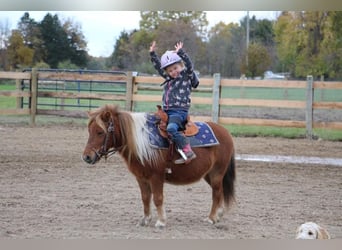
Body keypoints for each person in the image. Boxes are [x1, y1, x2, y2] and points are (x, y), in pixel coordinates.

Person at [149, 41, 199, 164]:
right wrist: (152, 54)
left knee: (171, 129)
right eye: (170, 70)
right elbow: (158, 67)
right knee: (150, 123)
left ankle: (187, 151)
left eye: (175, 68)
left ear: (181, 66)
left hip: (179, 112)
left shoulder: (186, 75)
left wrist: (181, 53)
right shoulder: (168, 78)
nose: (173, 72)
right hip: (167, 111)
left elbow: (189, 65)